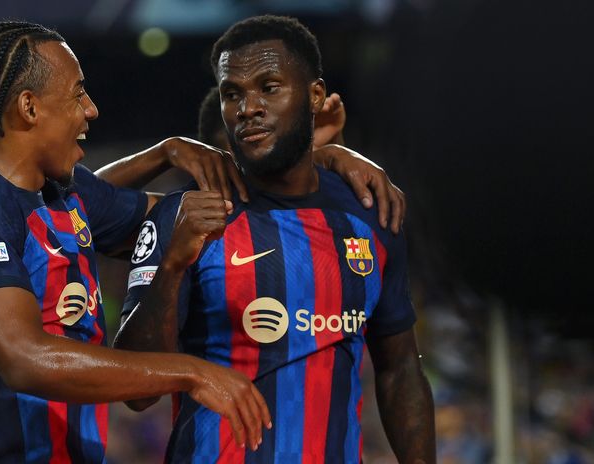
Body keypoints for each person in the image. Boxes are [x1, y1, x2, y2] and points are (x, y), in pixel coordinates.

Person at [0, 21, 273, 463]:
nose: (91, 109)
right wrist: (191, 373)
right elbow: (23, 357)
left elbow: (180, 216)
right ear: (29, 107)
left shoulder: (60, 200)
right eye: (77, 93)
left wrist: (323, 165)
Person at [115, 15, 435, 463]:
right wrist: (170, 268)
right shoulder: (183, 216)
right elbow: (137, 393)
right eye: (232, 94)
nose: (248, 108)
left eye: (269, 87)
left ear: (315, 96)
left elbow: (400, 368)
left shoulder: (370, 215)